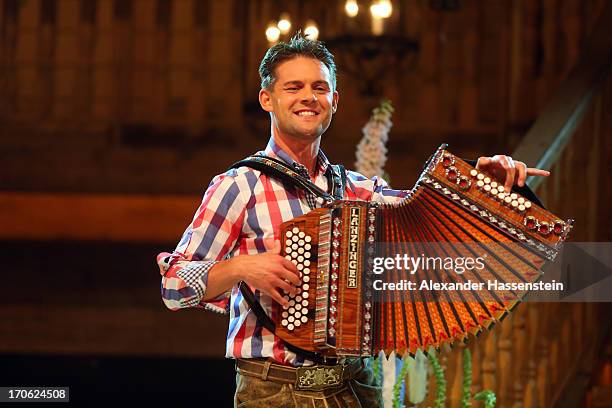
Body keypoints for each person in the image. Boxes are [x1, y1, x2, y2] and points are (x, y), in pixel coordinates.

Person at [157, 32, 549, 407]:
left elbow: (426, 213)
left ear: (335, 100)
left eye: (319, 88)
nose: (308, 97)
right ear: (267, 99)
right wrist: (241, 266)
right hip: (276, 391)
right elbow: (174, 285)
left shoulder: (356, 189)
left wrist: (482, 180)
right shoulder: (240, 185)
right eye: (293, 87)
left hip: (357, 385)